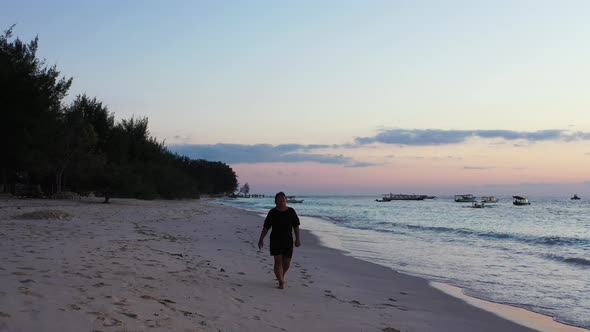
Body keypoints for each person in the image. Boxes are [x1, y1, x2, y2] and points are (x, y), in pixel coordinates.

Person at [258, 191, 301, 289]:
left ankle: (281, 275)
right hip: (275, 240)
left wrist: (298, 239)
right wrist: (261, 239)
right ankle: (281, 281)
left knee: (286, 263)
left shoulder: (291, 211)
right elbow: (266, 227)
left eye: (283, 199)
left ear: (286, 200)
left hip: (288, 241)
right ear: (276, 201)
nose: (281, 200)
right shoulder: (272, 212)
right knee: (278, 262)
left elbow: (296, 226)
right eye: (279, 199)